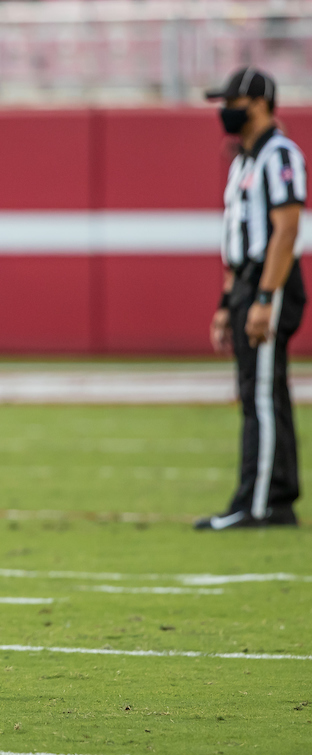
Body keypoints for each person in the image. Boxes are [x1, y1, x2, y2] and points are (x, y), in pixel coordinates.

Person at [199, 67, 306, 530]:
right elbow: (236, 241)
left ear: (259, 102)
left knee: (261, 392)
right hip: (247, 280)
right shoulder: (243, 159)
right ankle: (272, 496)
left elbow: (286, 230)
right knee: (261, 391)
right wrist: (228, 303)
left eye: (232, 101)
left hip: (269, 281)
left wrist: (266, 295)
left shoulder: (279, 154)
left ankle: (259, 502)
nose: (225, 110)